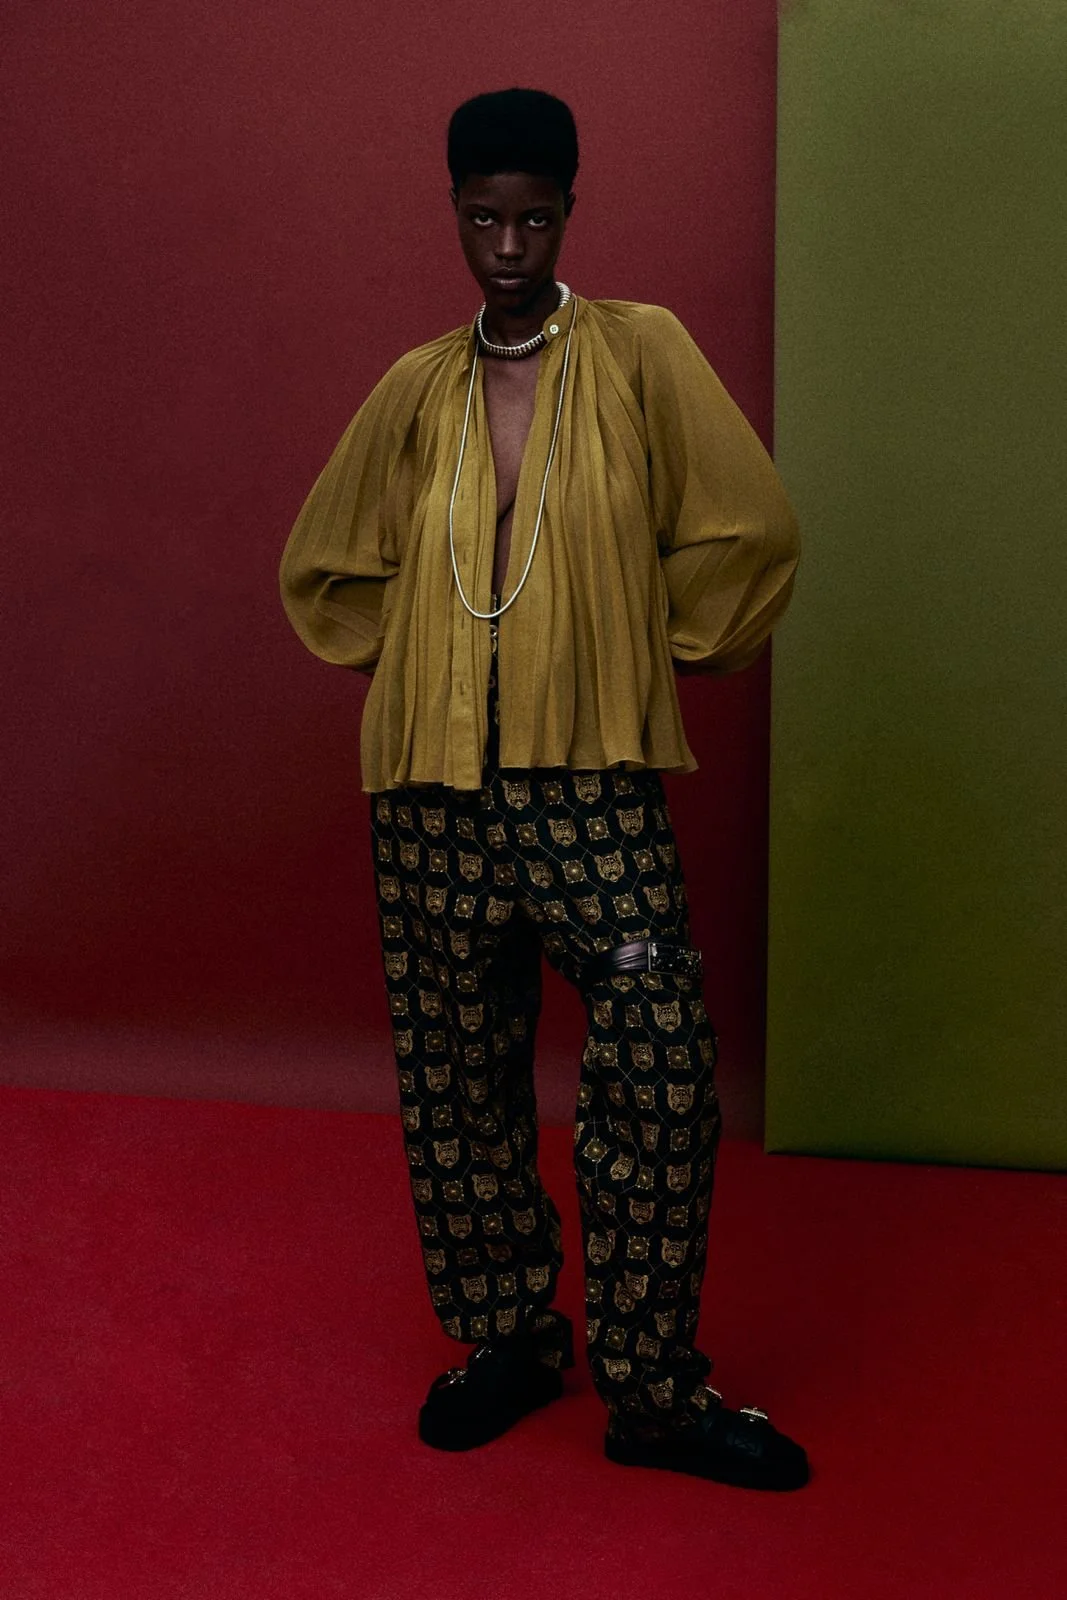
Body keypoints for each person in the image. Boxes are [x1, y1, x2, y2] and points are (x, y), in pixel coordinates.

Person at [279, 87, 807, 1490]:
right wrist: (437, 668)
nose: (507, 245)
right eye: (482, 218)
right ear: (453, 215)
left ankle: (653, 1391)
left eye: (533, 218)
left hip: (588, 787)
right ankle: (510, 1338)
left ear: (569, 213)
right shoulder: (415, 387)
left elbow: (749, 529)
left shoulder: (640, 353)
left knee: (661, 1065)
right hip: (433, 796)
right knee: (457, 1079)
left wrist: (622, 655)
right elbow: (324, 566)